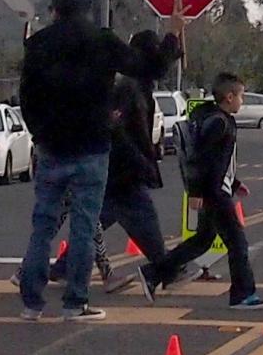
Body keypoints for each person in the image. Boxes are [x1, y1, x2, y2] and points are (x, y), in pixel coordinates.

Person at [17, 0, 180, 322]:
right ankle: (75, 302)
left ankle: (31, 303)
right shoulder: (101, 40)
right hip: (92, 144)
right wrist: (172, 36)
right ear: (88, 10)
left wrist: (38, 133)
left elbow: (26, 96)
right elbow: (148, 67)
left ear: (55, 11)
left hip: (51, 145)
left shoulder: (39, 44)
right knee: (84, 224)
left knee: (43, 226)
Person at [48, 28, 196, 294]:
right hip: (123, 168)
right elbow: (118, 131)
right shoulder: (128, 88)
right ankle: (164, 268)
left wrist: (176, 31)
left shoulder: (136, 85)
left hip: (119, 168)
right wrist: (140, 161)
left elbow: (166, 62)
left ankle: (62, 267)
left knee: (99, 218)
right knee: (142, 216)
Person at [135, 72, 263, 309]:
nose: (242, 101)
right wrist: (197, 192)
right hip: (214, 193)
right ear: (229, 97)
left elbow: (218, 161)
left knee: (203, 240)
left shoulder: (214, 119)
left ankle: (154, 273)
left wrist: (234, 182)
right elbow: (202, 160)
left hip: (215, 189)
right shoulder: (219, 123)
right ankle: (242, 294)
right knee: (237, 243)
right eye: (241, 96)